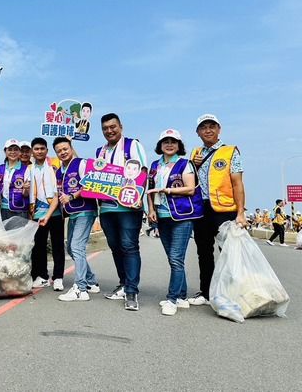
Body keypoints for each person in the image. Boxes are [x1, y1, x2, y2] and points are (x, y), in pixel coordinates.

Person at [188, 113, 247, 306]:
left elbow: (237, 184)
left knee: (229, 253)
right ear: (198, 132)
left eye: (212, 126)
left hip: (225, 209)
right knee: (203, 252)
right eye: (203, 127)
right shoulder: (195, 154)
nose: (208, 130)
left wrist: (240, 213)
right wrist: (193, 166)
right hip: (200, 209)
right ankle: (206, 292)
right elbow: (190, 181)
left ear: (219, 129)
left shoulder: (230, 152)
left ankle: (231, 293)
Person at [147, 129, 204, 316]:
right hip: (162, 217)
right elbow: (150, 190)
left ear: (179, 145)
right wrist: (151, 210)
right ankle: (181, 296)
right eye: (166, 141)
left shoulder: (185, 164)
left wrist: (168, 190)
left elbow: (189, 189)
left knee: (176, 258)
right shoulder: (155, 165)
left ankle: (171, 299)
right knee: (174, 260)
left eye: (173, 141)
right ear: (160, 145)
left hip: (182, 217)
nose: (169, 144)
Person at [96, 113, 147, 311]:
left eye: (113, 127)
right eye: (105, 128)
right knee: (116, 246)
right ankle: (124, 283)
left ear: (120, 126)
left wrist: (139, 197)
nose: (109, 131)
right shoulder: (100, 151)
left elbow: (142, 171)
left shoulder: (132, 145)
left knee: (129, 246)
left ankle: (132, 290)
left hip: (127, 206)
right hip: (107, 207)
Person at [53, 137, 99, 301]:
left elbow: (89, 184)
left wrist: (71, 196)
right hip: (72, 213)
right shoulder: (60, 171)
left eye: (65, 148)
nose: (63, 152)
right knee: (72, 249)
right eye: (59, 150)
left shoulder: (81, 163)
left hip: (85, 211)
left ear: (71, 148)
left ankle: (80, 288)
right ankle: (91, 281)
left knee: (77, 246)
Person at [29, 137, 65, 291]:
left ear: (47, 150)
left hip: (55, 211)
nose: (39, 151)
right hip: (37, 212)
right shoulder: (29, 169)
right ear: (32, 151)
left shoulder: (55, 164)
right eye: (36, 149)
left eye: (42, 148)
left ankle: (58, 278)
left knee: (57, 245)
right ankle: (42, 276)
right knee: (39, 246)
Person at [0, 139, 31, 220]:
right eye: (10, 149)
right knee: (5, 232)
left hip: (19, 210)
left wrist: (26, 189)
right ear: (5, 152)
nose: (13, 152)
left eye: (16, 149)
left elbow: (26, 194)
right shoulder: (0, 168)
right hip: (3, 209)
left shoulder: (25, 169)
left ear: (19, 152)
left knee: (19, 232)